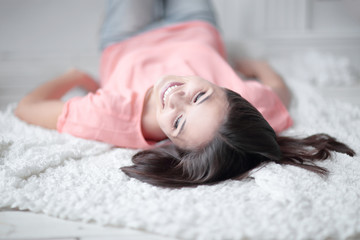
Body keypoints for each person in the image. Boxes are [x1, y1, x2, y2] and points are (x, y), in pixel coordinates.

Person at [15, 0, 355, 188]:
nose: (174, 98)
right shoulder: (248, 107)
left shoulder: (113, 116)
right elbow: (279, 93)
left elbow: (26, 108)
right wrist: (260, 65)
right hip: (196, 23)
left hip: (126, 36)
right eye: (201, 97)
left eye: (177, 122)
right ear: (230, 93)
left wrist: (72, 75)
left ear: (175, 145)